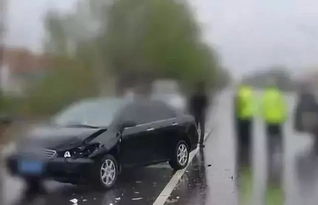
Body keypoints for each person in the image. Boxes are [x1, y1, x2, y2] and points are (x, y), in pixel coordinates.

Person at [261, 85, 287, 185]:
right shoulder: (279, 95)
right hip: (278, 120)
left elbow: (262, 107)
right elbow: (283, 106)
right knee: (279, 137)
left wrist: (264, 116)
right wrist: (284, 116)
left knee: (269, 137)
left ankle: (270, 152)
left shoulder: (266, 95)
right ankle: (279, 151)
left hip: (269, 120)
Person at [234, 85, 255, 167]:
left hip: (241, 116)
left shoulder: (240, 94)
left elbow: (238, 105)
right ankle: (248, 147)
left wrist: (237, 114)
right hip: (249, 116)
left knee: (242, 134)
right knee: (248, 133)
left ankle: (242, 148)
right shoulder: (250, 93)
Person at [189, 82, 209, 148]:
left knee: (195, 128)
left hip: (195, 113)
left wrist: (191, 111)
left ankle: (193, 142)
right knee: (202, 128)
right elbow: (206, 105)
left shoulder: (194, 95)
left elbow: (191, 104)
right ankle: (201, 143)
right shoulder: (204, 95)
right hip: (201, 113)